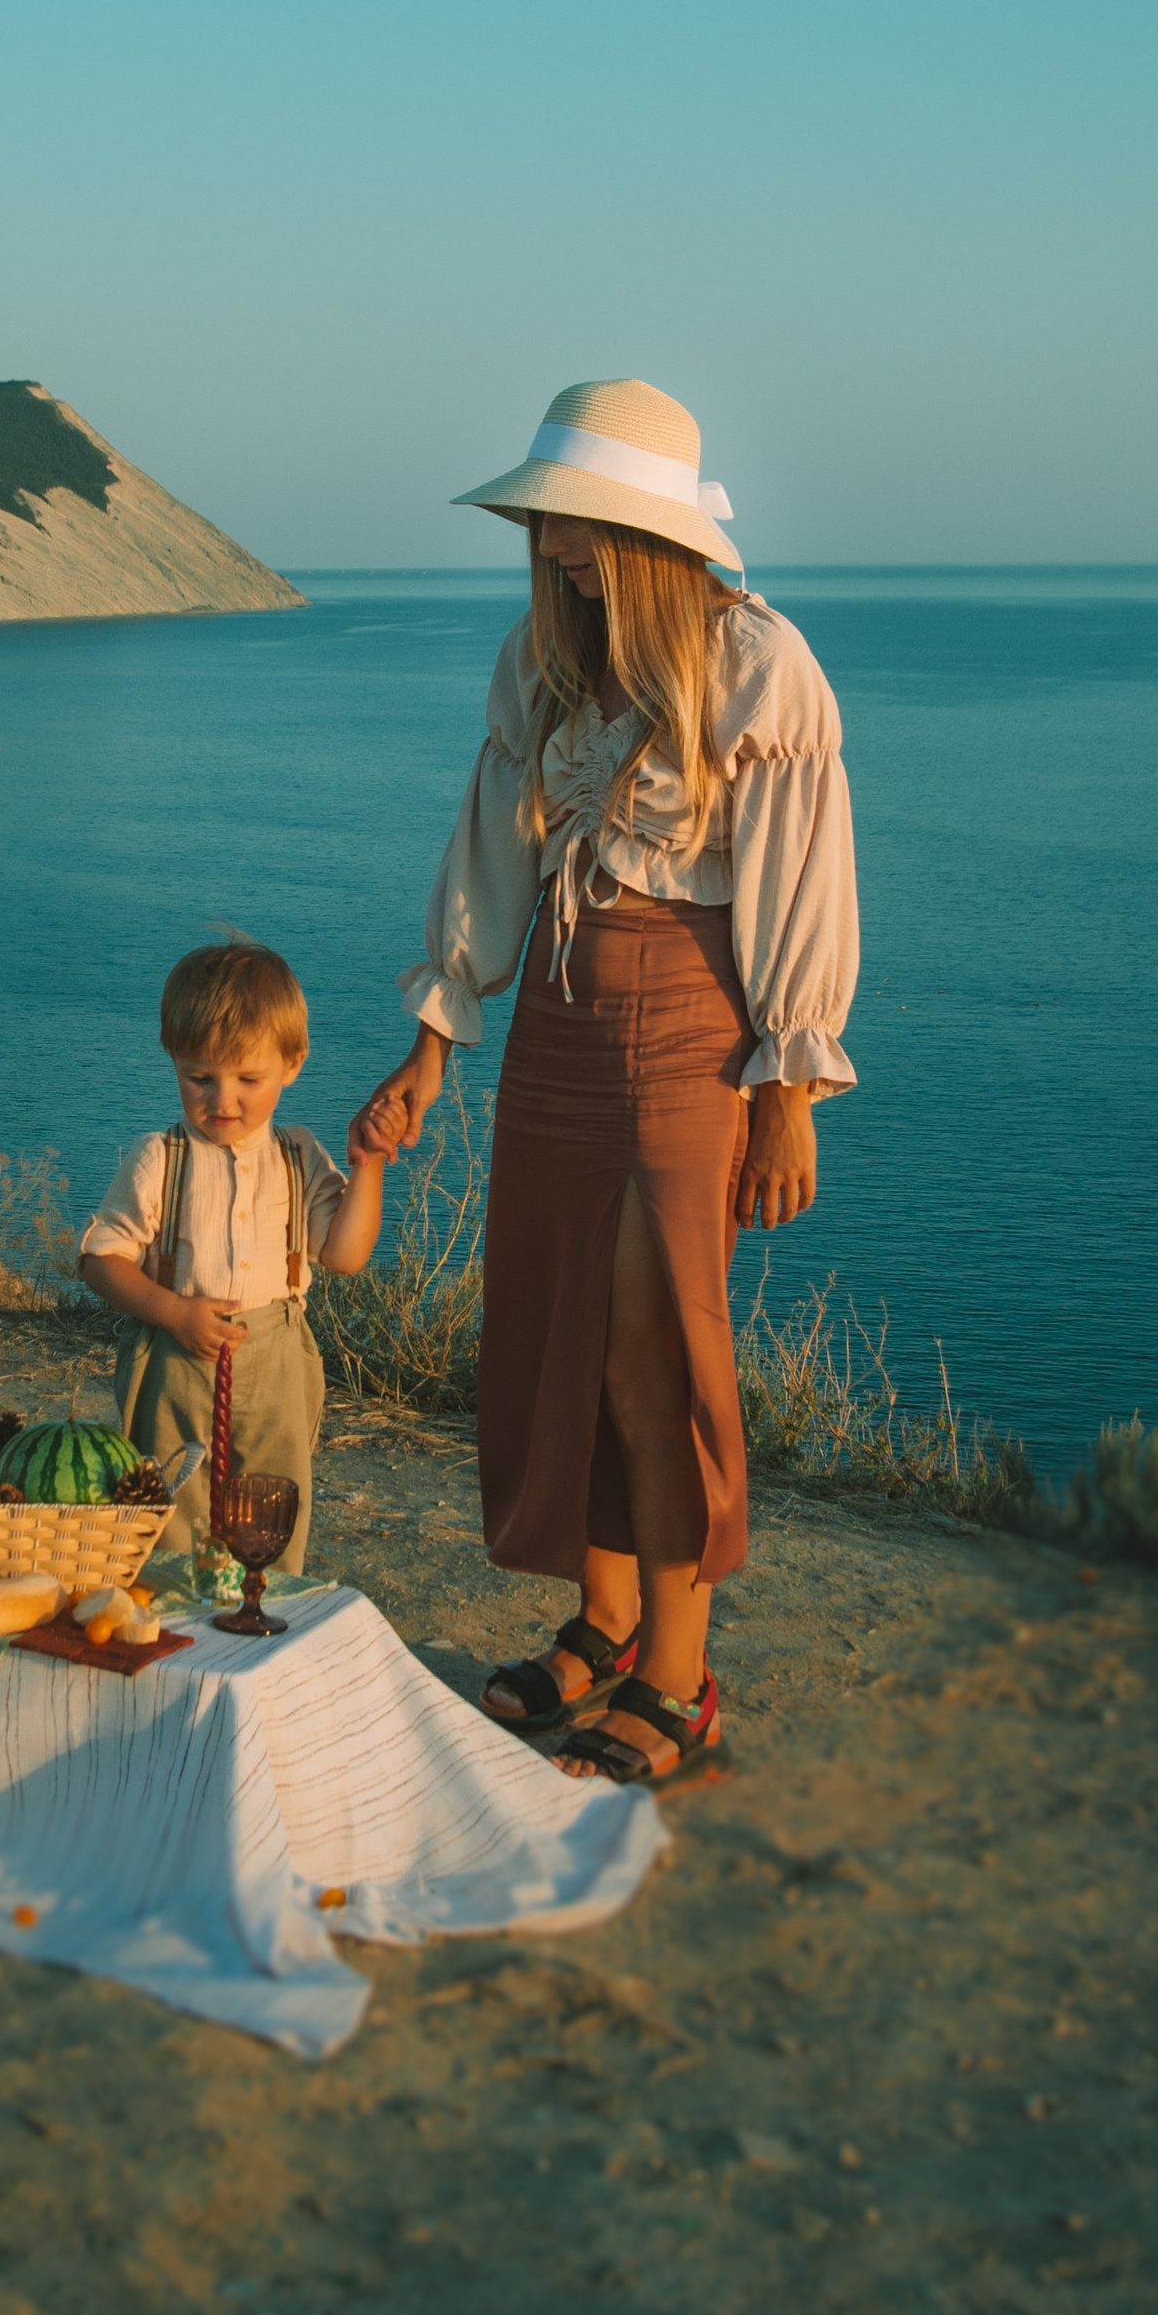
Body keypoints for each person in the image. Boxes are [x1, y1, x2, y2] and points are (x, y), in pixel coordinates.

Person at [352, 379, 859, 1785]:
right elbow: (494, 858)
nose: (553, 544)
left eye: (574, 522)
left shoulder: (758, 666)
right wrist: (433, 1045)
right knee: (564, 1334)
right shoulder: (540, 661)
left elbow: (804, 888)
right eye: (546, 522)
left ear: (642, 530)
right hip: (560, 1029)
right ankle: (607, 1626)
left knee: (654, 1352)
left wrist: (786, 1090)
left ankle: (683, 1685)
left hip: (689, 1027)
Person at [80, 941, 386, 1579]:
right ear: (174, 1060)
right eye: (200, 1078)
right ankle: (177, 1633)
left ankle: (260, 1619)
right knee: (167, 1508)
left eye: (249, 1079)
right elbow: (100, 1257)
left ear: (292, 1064)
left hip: (276, 1360)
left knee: (274, 1508)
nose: (223, 1100)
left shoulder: (301, 1158)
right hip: (174, 1359)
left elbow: (346, 1255)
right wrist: (171, 1311)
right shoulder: (158, 1158)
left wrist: (370, 1166)